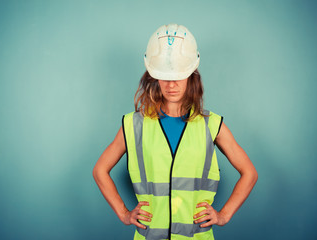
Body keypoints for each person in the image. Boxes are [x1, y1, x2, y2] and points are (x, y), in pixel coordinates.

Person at [93, 23, 258, 240]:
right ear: (154, 76)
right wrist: (124, 214)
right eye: (164, 76)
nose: (171, 84)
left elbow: (250, 173)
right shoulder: (134, 125)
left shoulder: (212, 125)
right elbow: (99, 170)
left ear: (191, 75)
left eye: (179, 75)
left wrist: (223, 216)